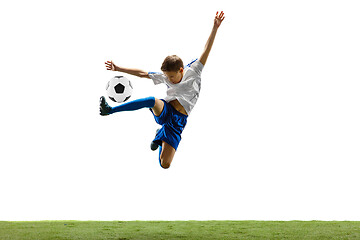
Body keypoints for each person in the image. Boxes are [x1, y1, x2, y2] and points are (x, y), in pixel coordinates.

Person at [100, 11, 225, 169]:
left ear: (181, 70)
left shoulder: (194, 70)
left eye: (171, 77)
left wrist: (215, 27)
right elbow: (143, 74)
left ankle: (160, 136)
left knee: (165, 164)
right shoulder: (166, 76)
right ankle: (110, 110)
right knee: (151, 101)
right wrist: (118, 68)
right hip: (165, 110)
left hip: (178, 120)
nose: (169, 80)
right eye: (167, 77)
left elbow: (206, 49)